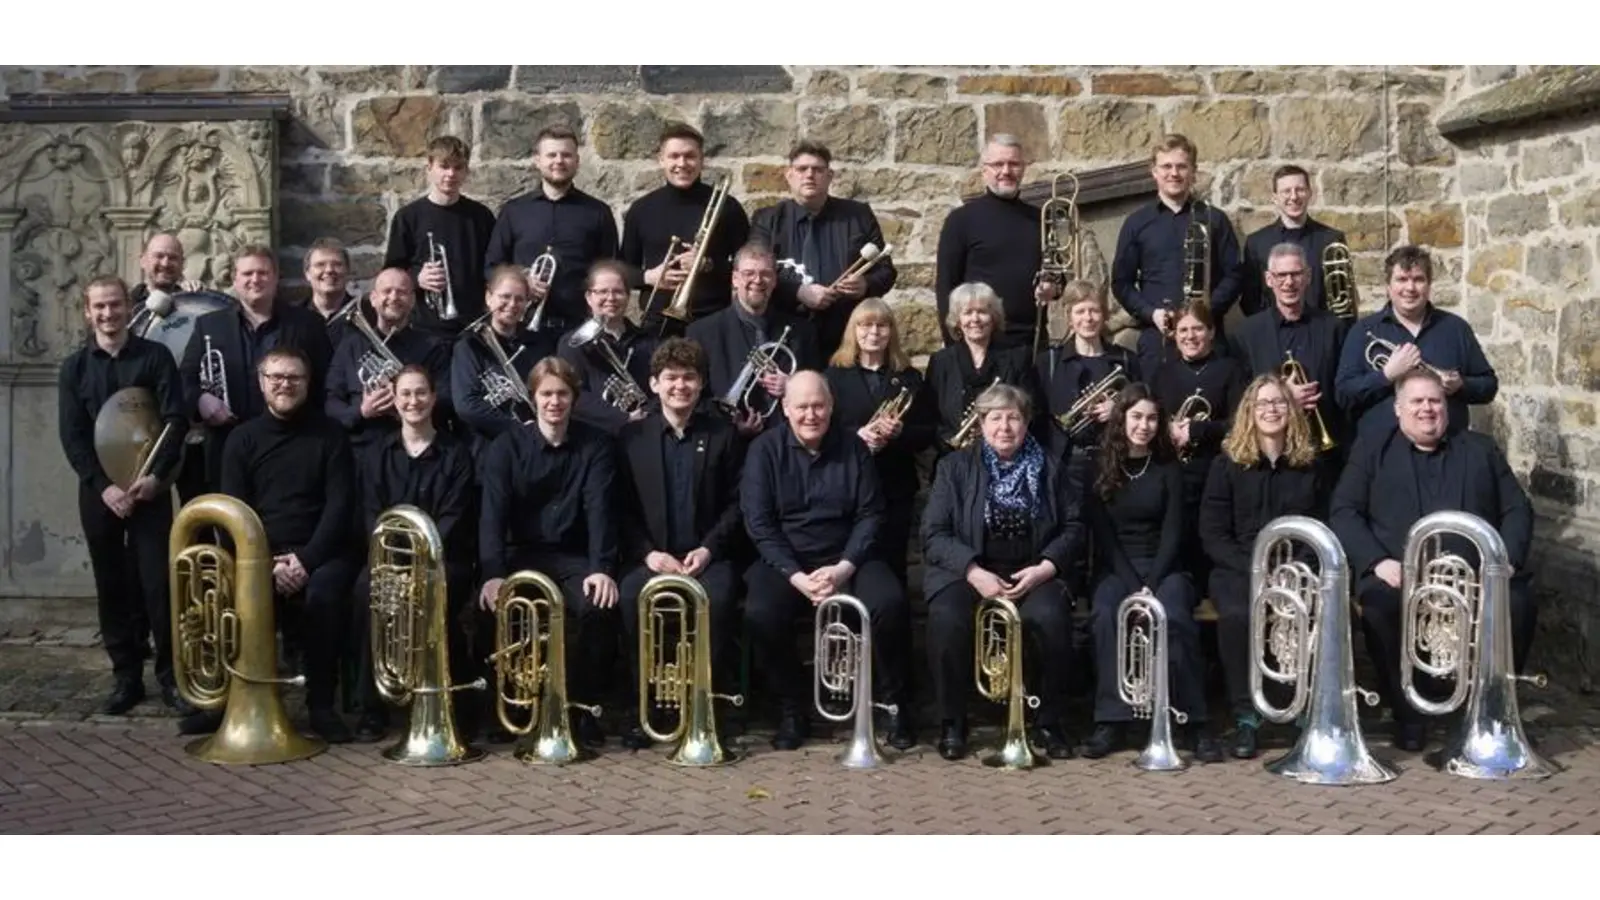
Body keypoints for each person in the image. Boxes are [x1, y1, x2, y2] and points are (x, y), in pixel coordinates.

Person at [1329, 368, 1535, 752]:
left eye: (1435, 401)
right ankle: (1408, 712)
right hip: (1400, 573)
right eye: (1417, 402)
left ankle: (1492, 708)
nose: (1427, 409)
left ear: (1447, 406)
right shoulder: (1372, 449)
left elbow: (1517, 510)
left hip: (1473, 576)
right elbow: (1344, 511)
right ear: (1398, 409)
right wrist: (1377, 562)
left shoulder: (1480, 449)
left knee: (1519, 602)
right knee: (1377, 606)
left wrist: (1502, 561)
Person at [740, 371, 913, 751]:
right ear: (785, 409)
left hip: (849, 557)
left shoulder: (853, 448)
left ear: (831, 406)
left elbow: (871, 514)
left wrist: (844, 568)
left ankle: (893, 703)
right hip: (789, 562)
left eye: (819, 405)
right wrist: (796, 576)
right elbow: (759, 523)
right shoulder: (764, 451)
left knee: (889, 603)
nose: (811, 414)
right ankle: (792, 707)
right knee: (760, 612)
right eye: (801, 406)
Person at [921, 383, 1085, 761]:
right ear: (981, 424)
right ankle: (952, 722)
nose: (1005, 427)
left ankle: (1049, 720)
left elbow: (1074, 527)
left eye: (1014, 418)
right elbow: (933, 533)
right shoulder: (954, 468)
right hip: (969, 572)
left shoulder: (1051, 467)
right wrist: (973, 571)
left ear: (1026, 423)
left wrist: (1046, 567)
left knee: (1050, 619)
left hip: (1034, 570)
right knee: (947, 620)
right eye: (995, 418)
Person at [57, 275, 191, 717]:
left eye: (114, 305)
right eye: (99, 307)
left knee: (158, 585)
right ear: (88, 312)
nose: (108, 314)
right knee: (112, 586)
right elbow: (73, 437)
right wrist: (106, 488)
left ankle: (170, 678)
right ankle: (126, 677)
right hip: (101, 494)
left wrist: (154, 479)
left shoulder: (155, 357)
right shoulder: (74, 369)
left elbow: (175, 420)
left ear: (126, 308)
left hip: (149, 491)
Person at [217, 346, 359, 743]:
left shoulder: (330, 435)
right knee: (231, 596)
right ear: (262, 384)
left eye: (294, 378)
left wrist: (305, 561)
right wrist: (264, 564)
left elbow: (340, 506)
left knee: (324, 597)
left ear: (307, 384)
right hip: (259, 554)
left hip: (321, 552)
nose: (285, 384)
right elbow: (235, 511)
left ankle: (321, 705)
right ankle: (230, 702)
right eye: (276, 377)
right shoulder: (241, 439)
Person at [477, 356, 619, 748]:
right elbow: (493, 513)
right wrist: (493, 572)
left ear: (573, 398)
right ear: (532, 397)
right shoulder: (507, 446)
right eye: (546, 394)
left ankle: (584, 708)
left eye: (562, 394)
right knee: (492, 608)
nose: (554, 402)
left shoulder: (597, 445)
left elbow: (600, 511)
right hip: (521, 555)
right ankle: (510, 708)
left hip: (574, 558)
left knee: (599, 609)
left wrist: (601, 567)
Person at [614, 338, 749, 751]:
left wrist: (709, 548)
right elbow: (619, 507)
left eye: (689, 378)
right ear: (654, 384)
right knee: (631, 599)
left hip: (708, 558)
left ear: (702, 383)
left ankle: (708, 706)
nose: (680, 386)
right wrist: (648, 554)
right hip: (651, 559)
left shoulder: (724, 436)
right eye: (671, 378)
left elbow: (738, 504)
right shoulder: (630, 438)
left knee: (720, 601)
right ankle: (647, 708)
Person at [1081, 383, 1219, 762]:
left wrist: (1152, 585)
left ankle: (1194, 720)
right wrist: (1133, 586)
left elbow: (1174, 532)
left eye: (1152, 418)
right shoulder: (1099, 468)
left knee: (1174, 617)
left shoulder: (1169, 469)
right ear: (1122, 418)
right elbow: (1105, 538)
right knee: (1107, 615)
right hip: (1117, 569)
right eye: (1137, 416)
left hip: (1166, 568)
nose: (1144, 425)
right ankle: (1112, 719)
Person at [1198, 374, 1330, 759]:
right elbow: (1213, 533)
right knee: (1238, 616)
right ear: (1249, 413)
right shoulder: (1227, 465)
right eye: (1262, 404)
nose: (1271, 410)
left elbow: (1320, 525)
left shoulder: (1310, 465)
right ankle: (1246, 717)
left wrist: (1295, 570)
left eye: (1279, 403)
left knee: (1312, 611)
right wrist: (1257, 570)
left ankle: (1300, 708)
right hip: (1238, 569)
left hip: (1297, 568)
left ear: (1291, 411)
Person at [349, 365, 479, 743]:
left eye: (421, 393)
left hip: (441, 561)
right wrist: (397, 563)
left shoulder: (456, 455)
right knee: (364, 596)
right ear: (395, 401)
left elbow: (453, 518)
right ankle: (373, 707)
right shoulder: (376, 455)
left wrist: (421, 560)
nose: (413, 401)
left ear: (434, 398)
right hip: (389, 560)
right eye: (405, 394)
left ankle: (454, 703)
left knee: (438, 599)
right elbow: (372, 515)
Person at [179, 245, 333, 493]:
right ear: (235, 279)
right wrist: (200, 400)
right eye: (247, 273)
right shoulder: (209, 325)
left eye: (263, 273)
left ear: (275, 277)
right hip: (227, 447)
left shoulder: (308, 325)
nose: (255, 279)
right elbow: (184, 379)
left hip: (293, 447)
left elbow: (326, 384)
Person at [823, 298, 936, 586]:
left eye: (882, 325)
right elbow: (820, 428)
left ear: (891, 332)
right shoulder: (834, 376)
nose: (873, 332)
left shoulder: (909, 378)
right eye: (865, 325)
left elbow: (928, 432)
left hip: (894, 486)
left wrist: (900, 432)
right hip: (849, 486)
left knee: (893, 564)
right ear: (854, 331)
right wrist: (856, 436)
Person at [1335, 244, 1497, 443]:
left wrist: (1461, 385)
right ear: (1388, 286)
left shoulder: (1456, 329)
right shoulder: (1363, 332)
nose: (1410, 288)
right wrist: (1387, 375)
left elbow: (1489, 385)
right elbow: (1343, 395)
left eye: (1418, 279)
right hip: (1382, 453)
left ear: (1429, 285)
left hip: (1447, 450)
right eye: (1402, 279)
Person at [1112, 133, 1244, 375]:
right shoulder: (1137, 222)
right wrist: (1151, 314)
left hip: (1207, 338)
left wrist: (1204, 313)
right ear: (1154, 172)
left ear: (1193, 171)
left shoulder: (1215, 219)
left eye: (1182, 166)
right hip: (1157, 339)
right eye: (1166, 166)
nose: (1174, 173)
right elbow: (1121, 282)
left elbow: (1235, 274)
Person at [751, 140, 898, 357]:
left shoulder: (858, 216)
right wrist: (798, 291)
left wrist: (865, 285)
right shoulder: (767, 220)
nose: (809, 175)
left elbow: (886, 271)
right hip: (787, 334)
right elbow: (753, 274)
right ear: (789, 175)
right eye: (802, 169)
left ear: (829, 177)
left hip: (846, 334)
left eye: (818, 170)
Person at [483, 125, 619, 347]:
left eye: (566, 155)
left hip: (578, 326)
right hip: (522, 327)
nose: (559, 161)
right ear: (537, 160)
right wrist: (522, 280)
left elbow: (609, 270)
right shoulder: (514, 211)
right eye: (551, 155)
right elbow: (491, 267)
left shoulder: (598, 212)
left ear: (577, 160)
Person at [1151, 299, 1248, 590]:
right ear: (1174, 335)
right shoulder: (1163, 373)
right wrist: (1164, 429)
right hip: (1174, 474)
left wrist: (1197, 430)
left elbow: (1240, 423)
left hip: (1214, 474)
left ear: (1211, 332)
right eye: (1183, 330)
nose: (1190, 336)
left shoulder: (1230, 370)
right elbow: (1149, 417)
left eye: (1197, 329)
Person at [620, 122, 751, 337]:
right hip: (657, 323)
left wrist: (707, 264)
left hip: (713, 320)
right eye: (674, 156)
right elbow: (623, 270)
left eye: (690, 156)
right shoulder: (641, 209)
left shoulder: (728, 206)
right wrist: (649, 277)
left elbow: (747, 269)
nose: (682, 163)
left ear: (702, 160)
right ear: (661, 160)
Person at [934, 134, 1060, 350]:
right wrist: (955, 348)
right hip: (980, 343)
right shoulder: (961, 220)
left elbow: (1059, 277)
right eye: (998, 164)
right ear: (984, 171)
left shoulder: (1040, 219)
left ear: (1023, 168)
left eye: (1013, 164)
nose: (1006, 171)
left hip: (1032, 344)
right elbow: (946, 287)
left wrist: (1053, 288)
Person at [1229, 242, 1352, 462]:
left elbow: (1344, 389)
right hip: (1270, 452)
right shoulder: (1247, 334)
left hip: (1325, 452)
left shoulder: (1333, 327)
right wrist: (1283, 397)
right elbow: (1240, 396)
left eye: (1296, 274)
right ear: (1269, 279)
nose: (1289, 282)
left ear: (1308, 277)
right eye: (1281, 275)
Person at [685, 242, 822, 436]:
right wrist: (730, 425)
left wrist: (793, 388)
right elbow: (693, 396)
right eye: (749, 273)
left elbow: (819, 389)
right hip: (725, 442)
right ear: (735, 279)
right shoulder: (701, 332)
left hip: (786, 442)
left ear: (775, 280)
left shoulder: (803, 331)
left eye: (766, 274)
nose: (758, 280)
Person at [324, 268, 453, 455]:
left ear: (412, 301)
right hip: (361, 449)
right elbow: (331, 402)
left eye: (402, 292)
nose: (394, 297)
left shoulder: (433, 347)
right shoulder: (352, 346)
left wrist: (409, 404)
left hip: (416, 450)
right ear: (373, 299)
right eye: (387, 291)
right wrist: (362, 411)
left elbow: (446, 398)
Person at [385, 135, 499, 338]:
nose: (451, 174)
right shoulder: (408, 217)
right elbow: (391, 272)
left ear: (466, 172)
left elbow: (493, 267)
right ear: (429, 168)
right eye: (444, 166)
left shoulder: (481, 216)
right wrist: (416, 277)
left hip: (472, 326)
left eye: (458, 167)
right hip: (423, 327)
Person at [1035, 279, 1142, 474]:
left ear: (1104, 316)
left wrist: (1118, 410)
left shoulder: (1126, 359)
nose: (1088, 318)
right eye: (1080, 311)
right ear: (1069, 318)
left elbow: (1142, 407)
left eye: (1094, 311)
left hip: (1112, 460)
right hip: (1063, 463)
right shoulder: (1048, 361)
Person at [925, 282, 1036, 460]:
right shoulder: (941, 362)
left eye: (982, 312)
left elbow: (1031, 409)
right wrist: (948, 441)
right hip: (955, 459)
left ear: (993, 317)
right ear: (958, 321)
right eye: (967, 313)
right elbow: (929, 415)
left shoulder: (1017, 358)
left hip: (1008, 458)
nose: (975, 319)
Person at [449, 265, 542, 455]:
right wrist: (518, 429)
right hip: (485, 447)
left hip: (531, 448)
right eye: (505, 297)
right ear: (488, 297)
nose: (512, 304)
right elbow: (467, 405)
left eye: (519, 299)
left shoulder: (536, 345)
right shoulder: (469, 346)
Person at [557, 260, 657, 436]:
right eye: (602, 291)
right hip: (594, 435)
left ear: (628, 296)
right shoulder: (571, 344)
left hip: (644, 431)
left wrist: (645, 413)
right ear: (589, 297)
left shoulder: (648, 341)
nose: (611, 298)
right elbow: (574, 394)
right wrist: (622, 418)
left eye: (618, 292)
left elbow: (661, 385)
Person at [1239, 165, 1349, 317]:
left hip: (1321, 333)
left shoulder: (1331, 240)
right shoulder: (1256, 243)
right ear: (1275, 198)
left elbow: (1343, 300)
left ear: (1310, 193)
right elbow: (1250, 300)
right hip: (1273, 335)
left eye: (1300, 189)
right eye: (1286, 191)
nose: (1294, 197)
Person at [299, 238, 371, 350]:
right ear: (307, 273)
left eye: (337, 264)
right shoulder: (293, 320)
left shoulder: (368, 316)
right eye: (320, 265)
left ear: (348, 271)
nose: (329, 270)